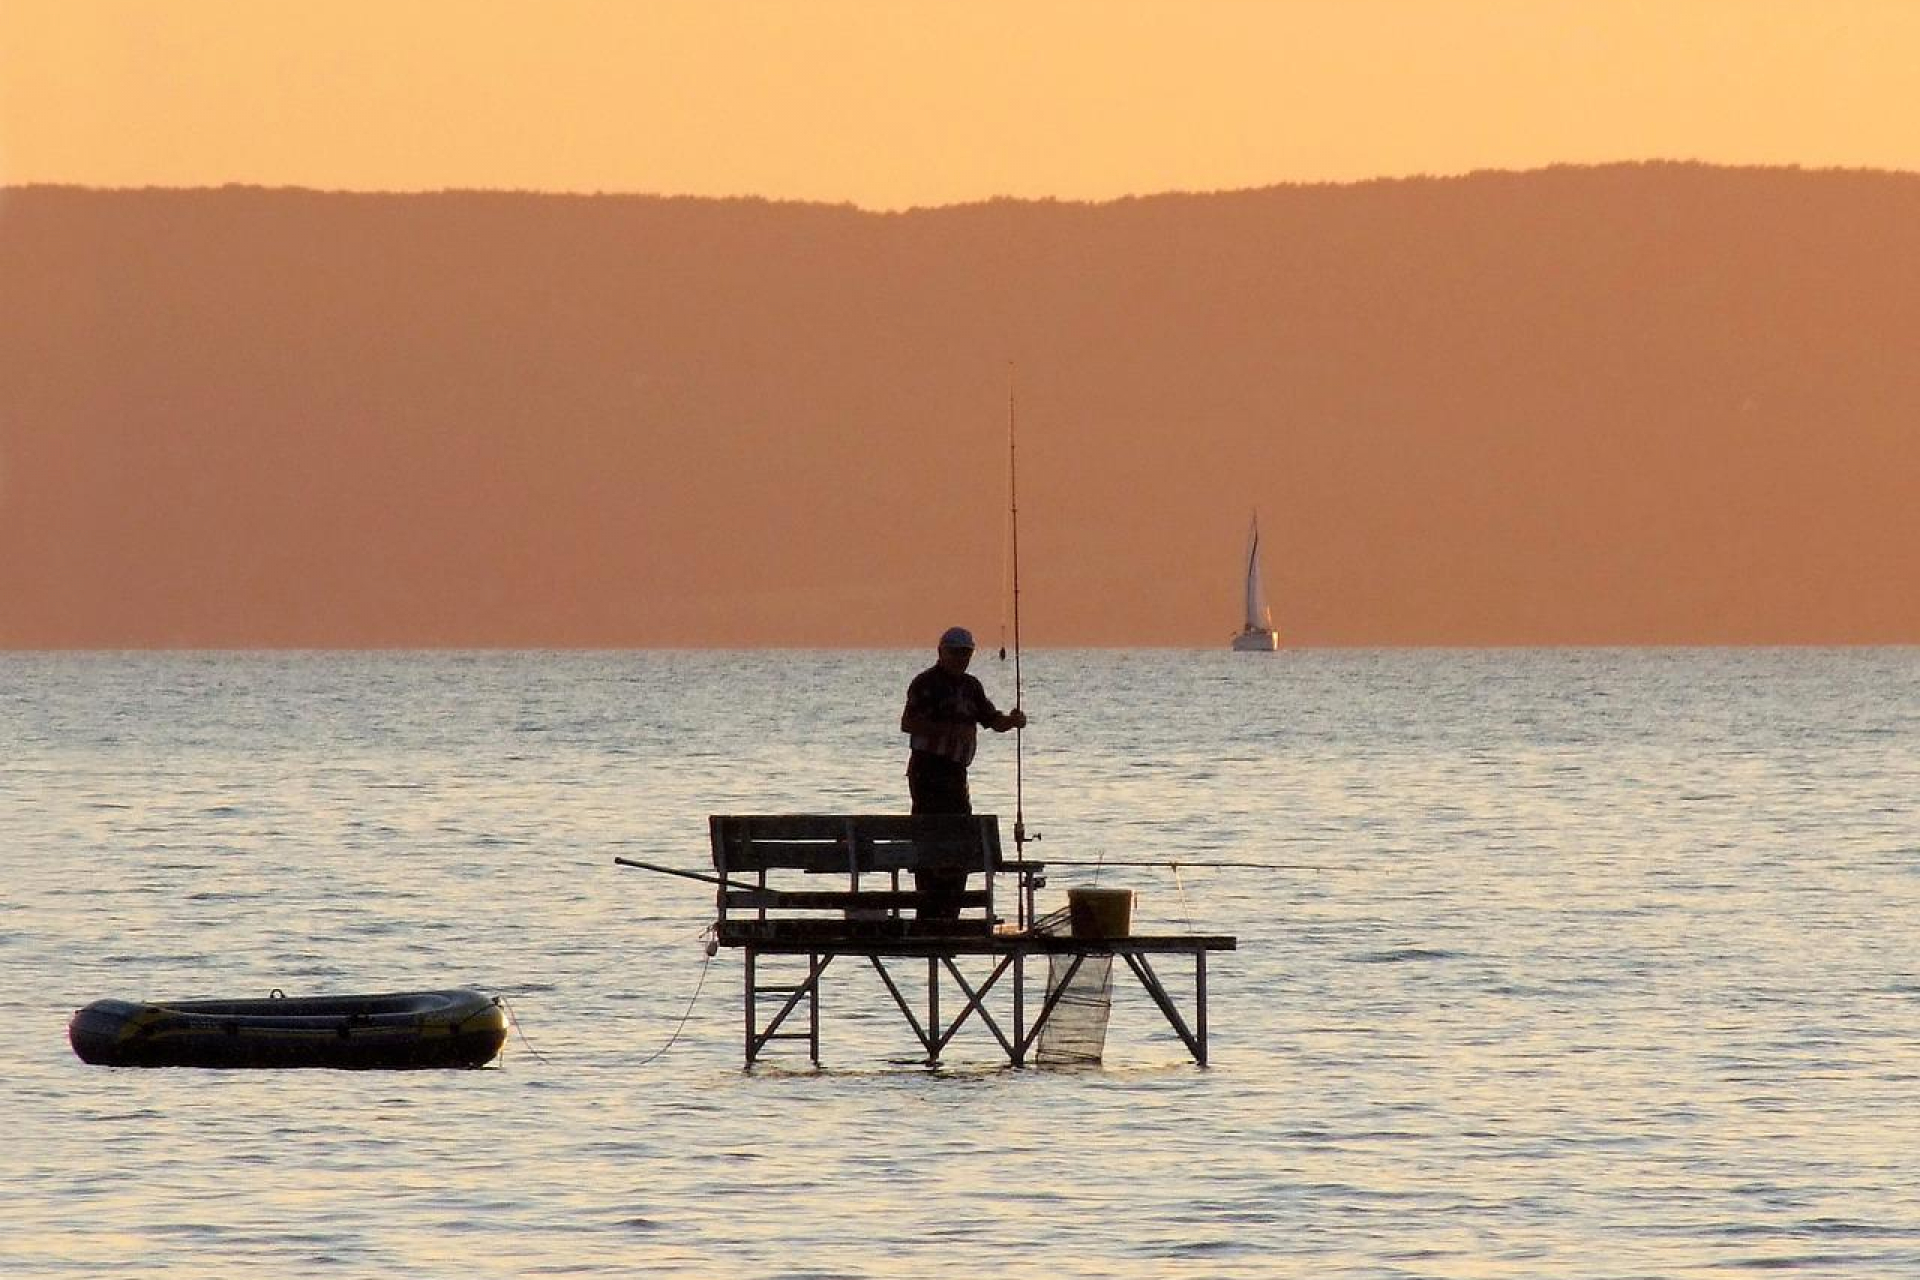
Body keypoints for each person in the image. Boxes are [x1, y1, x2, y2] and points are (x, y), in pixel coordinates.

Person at [899, 626, 1026, 920]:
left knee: (960, 835)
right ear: (941, 651)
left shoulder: (971, 687)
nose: (961, 658)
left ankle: (951, 908)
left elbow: (992, 720)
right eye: (956, 652)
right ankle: (929, 907)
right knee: (931, 835)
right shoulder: (925, 683)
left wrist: (1012, 721)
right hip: (928, 771)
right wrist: (952, 731)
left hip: (957, 773)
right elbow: (909, 723)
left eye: (966, 653)